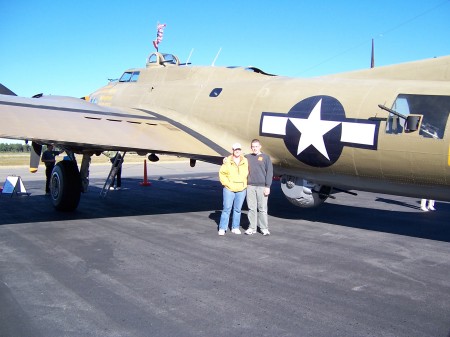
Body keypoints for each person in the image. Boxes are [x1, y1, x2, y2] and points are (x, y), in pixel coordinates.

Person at [218, 143, 249, 236]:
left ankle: (235, 227)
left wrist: (245, 183)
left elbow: (249, 171)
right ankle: (222, 228)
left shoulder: (245, 161)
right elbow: (222, 173)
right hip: (229, 189)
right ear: (233, 150)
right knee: (226, 209)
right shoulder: (227, 161)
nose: (237, 151)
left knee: (238, 209)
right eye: (236, 149)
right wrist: (226, 184)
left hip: (241, 189)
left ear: (241, 150)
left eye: (239, 149)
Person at [245, 139, 273, 236]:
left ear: (260, 147)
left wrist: (267, 186)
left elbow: (269, 172)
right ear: (251, 147)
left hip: (262, 187)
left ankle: (264, 228)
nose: (255, 148)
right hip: (250, 186)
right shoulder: (247, 157)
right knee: (251, 208)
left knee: (262, 208)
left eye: (256, 146)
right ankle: (252, 227)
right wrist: (226, 159)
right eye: (253, 146)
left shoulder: (266, 157)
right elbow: (236, 158)